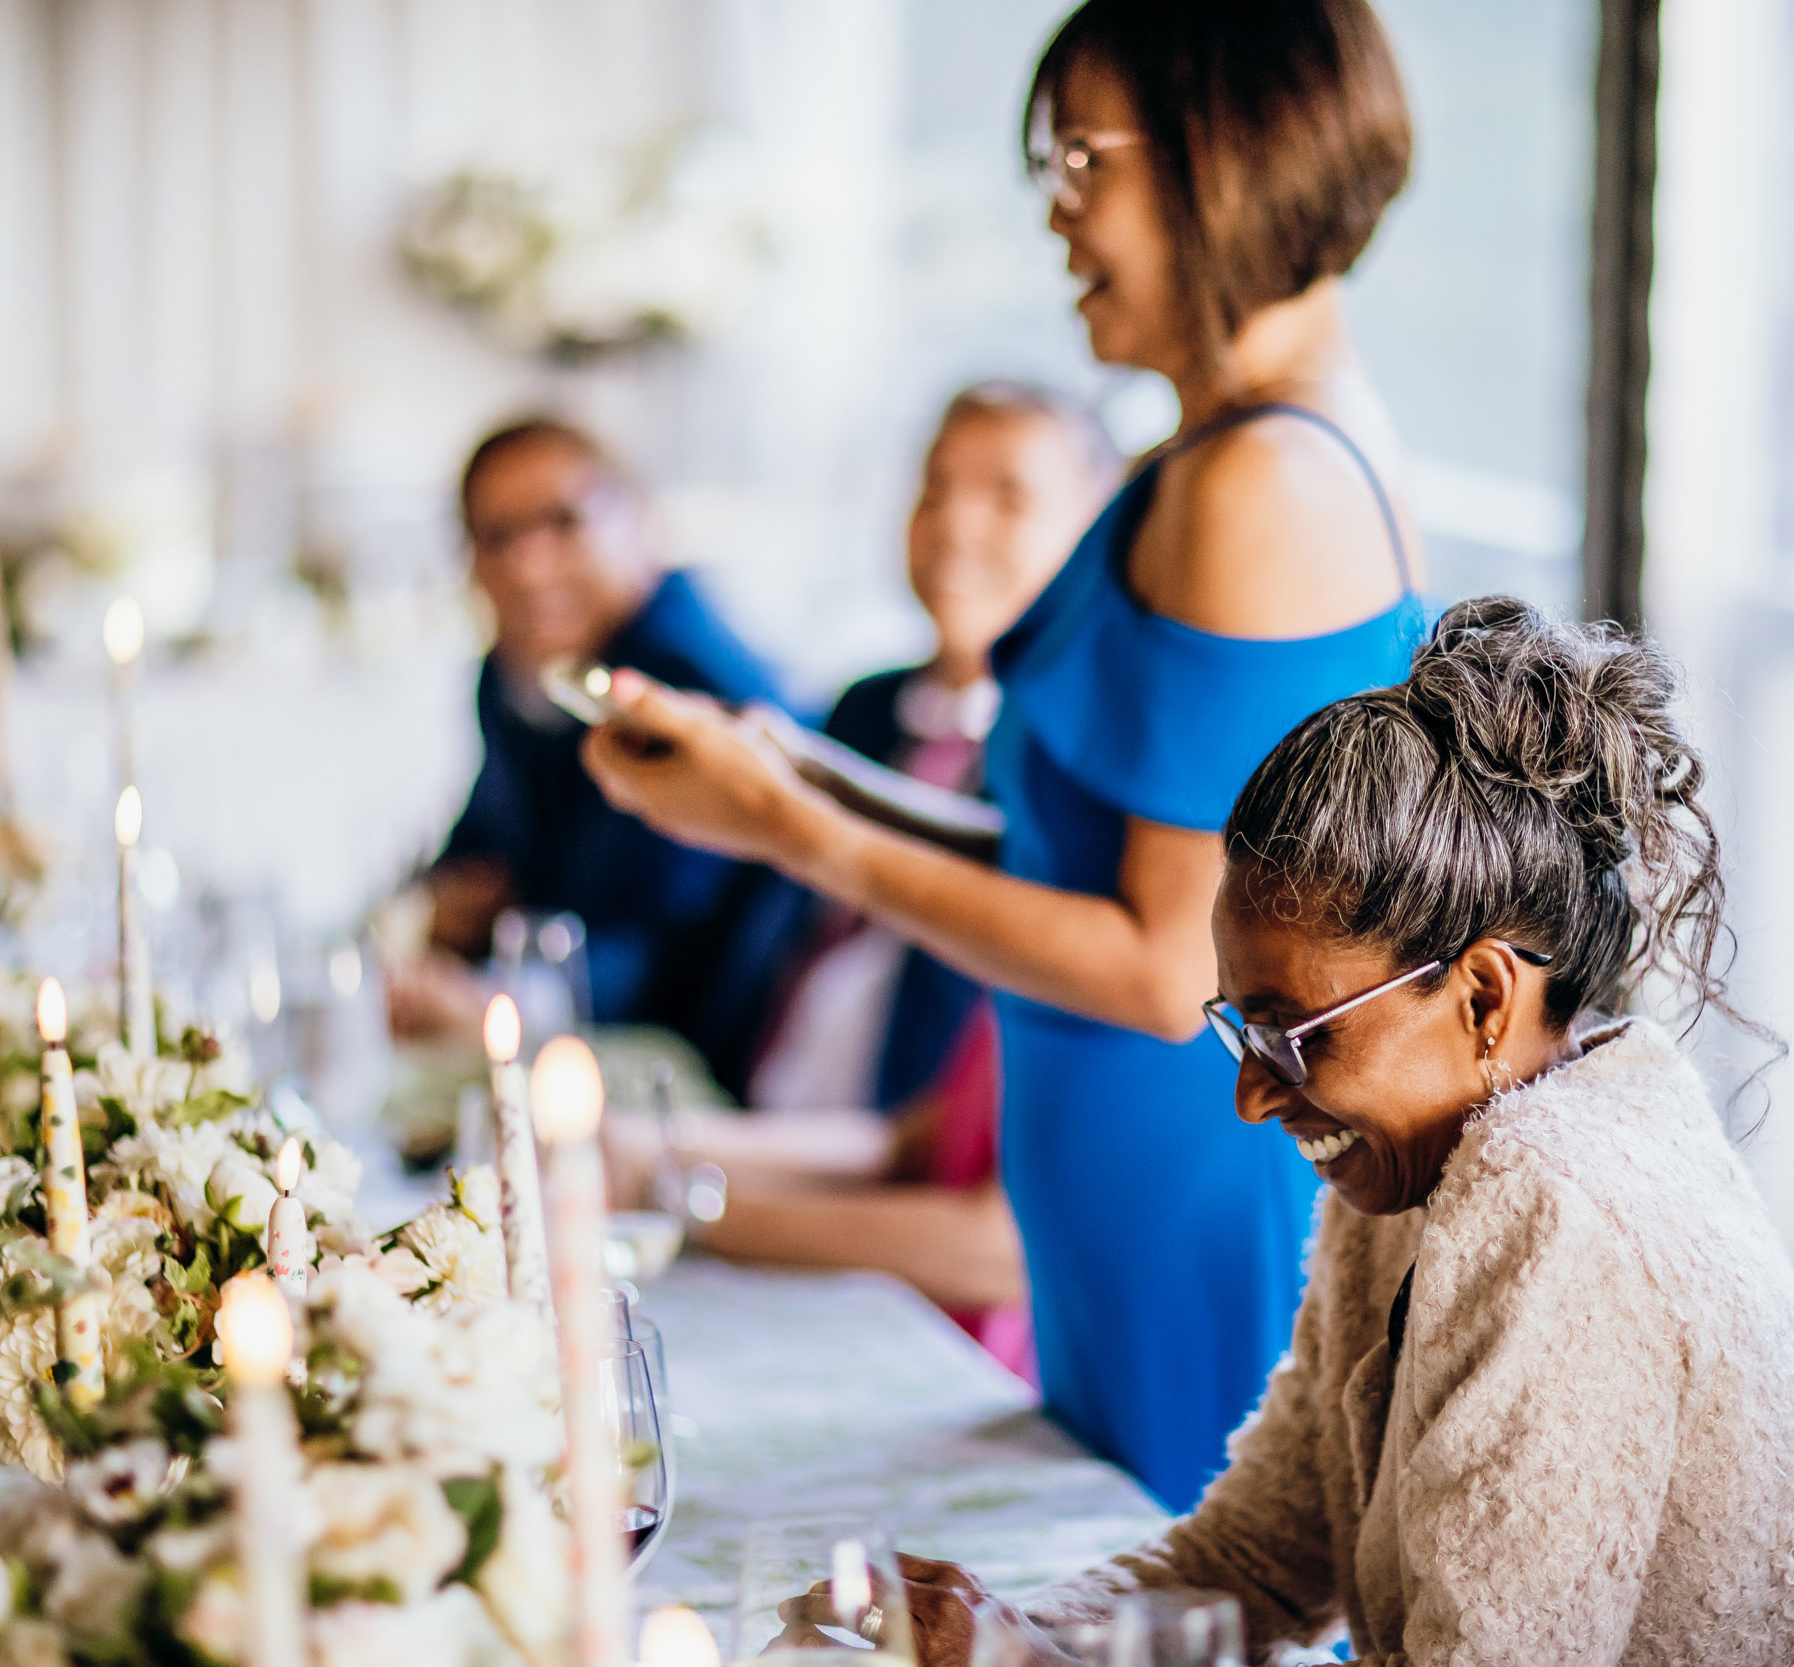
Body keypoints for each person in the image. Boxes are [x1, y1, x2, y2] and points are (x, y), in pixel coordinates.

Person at [577, 0, 1424, 1508]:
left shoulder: (1267, 482)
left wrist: (806, 829)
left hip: (1188, 1207)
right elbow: (1077, 851)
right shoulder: (1210, 452)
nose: (1058, 209)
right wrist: (797, 789)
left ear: (1218, 155)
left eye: (1082, 157)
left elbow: (1172, 966)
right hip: (1108, 1214)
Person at [891, 599, 1794, 1667]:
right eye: (1240, 1029)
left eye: (1293, 1034)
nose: (1253, 1095)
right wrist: (1016, 1636)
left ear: (1484, 997)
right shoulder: (1421, 1163)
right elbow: (1259, 1554)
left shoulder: (1564, 1208)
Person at [614, 382, 1117, 1383]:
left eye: (1007, 496)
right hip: (784, 1142)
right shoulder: (863, 705)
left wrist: (697, 1198)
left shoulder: (1080, 791)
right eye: (936, 485)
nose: (955, 522)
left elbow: (994, 1218)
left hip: (903, 1273)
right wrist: (658, 1150)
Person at [386, 418, 804, 1095]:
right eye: (497, 538)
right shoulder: (511, 675)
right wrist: (440, 907)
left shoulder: (686, 686)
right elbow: (481, 852)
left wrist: (492, 1004)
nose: (529, 565)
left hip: (698, 1070)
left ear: (637, 520)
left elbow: (654, 953)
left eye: (563, 523)